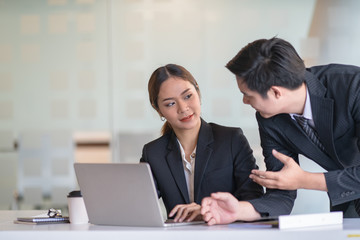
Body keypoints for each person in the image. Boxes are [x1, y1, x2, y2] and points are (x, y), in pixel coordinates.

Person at [201, 37, 360, 225]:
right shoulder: (270, 119)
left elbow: (297, 180)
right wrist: (238, 210)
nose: (244, 101)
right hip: (347, 198)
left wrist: (304, 180)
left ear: (276, 92)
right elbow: (280, 191)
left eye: (247, 95)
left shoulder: (352, 86)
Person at [140, 63, 264, 223]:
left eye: (187, 96)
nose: (183, 108)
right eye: (170, 103)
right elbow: (140, 205)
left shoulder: (232, 139)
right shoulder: (153, 153)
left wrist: (209, 211)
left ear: (198, 92)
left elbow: (255, 199)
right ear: (158, 110)